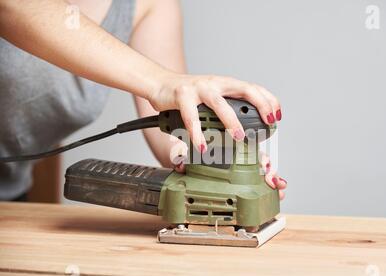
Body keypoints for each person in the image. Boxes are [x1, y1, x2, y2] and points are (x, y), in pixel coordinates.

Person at [0, 0, 286, 201]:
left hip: (11, 198)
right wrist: (161, 81)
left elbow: (174, 125)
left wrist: (213, 160)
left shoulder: (150, 5)